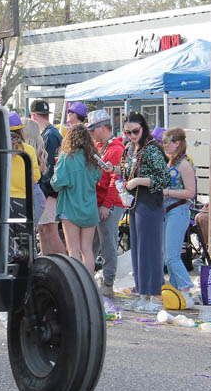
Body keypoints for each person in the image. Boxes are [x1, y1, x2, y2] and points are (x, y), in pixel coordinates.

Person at [108, 112, 170, 314]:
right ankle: (142, 293)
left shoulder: (152, 149)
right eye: (127, 132)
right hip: (134, 202)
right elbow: (129, 171)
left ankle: (153, 295)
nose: (132, 135)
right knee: (137, 250)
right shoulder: (129, 148)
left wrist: (139, 181)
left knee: (149, 249)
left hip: (149, 202)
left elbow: (164, 179)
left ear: (144, 128)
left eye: (135, 131)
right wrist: (115, 169)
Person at [51, 123, 102, 272]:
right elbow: (98, 178)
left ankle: (78, 285)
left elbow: (56, 183)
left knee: (73, 250)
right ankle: (90, 285)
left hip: (70, 207)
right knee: (87, 250)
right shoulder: (94, 158)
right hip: (90, 208)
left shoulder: (67, 157)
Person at [87, 109, 126, 297]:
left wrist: (107, 204)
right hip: (100, 201)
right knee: (94, 241)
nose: (91, 134)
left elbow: (115, 179)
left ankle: (108, 282)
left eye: (92, 130)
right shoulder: (102, 146)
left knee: (108, 241)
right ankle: (89, 276)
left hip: (110, 202)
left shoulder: (115, 149)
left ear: (102, 128)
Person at [161, 128, 197, 307]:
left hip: (179, 210)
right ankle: (175, 291)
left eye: (167, 141)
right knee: (168, 255)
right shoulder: (170, 162)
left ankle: (185, 288)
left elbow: (191, 192)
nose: (164, 145)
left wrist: (167, 192)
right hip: (168, 211)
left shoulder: (184, 164)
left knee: (172, 256)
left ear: (177, 143)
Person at [30, 99, 65, 255]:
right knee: (43, 230)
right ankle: (47, 263)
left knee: (49, 230)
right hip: (49, 190)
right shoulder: (50, 133)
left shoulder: (50, 134)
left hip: (50, 191)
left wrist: (48, 192)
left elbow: (51, 168)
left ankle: (64, 266)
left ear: (33, 116)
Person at [8, 111, 40, 226]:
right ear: (21, 131)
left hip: (2, 201)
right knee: (24, 239)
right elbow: (36, 177)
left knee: (5, 237)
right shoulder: (28, 149)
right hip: (23, 201)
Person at [21, 118, 48, 227]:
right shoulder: (37, 149)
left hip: (29, 196)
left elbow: (34, 176)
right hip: (37, 195)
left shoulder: (24, 150)